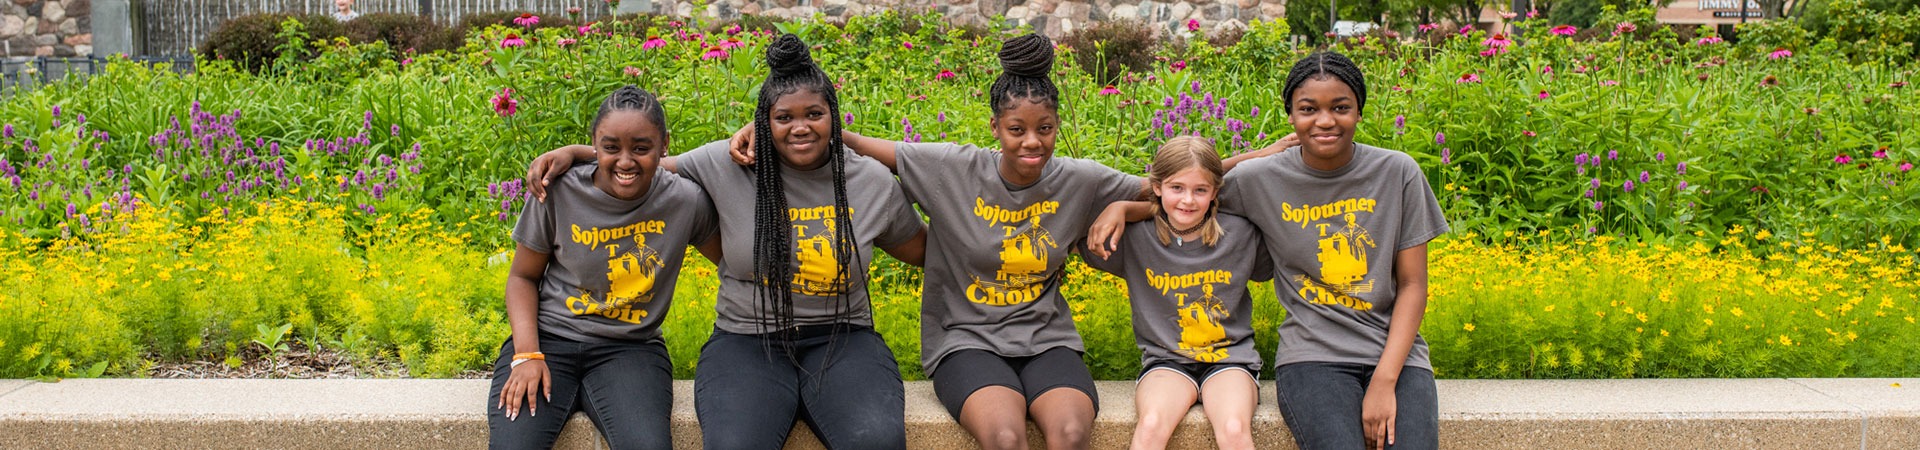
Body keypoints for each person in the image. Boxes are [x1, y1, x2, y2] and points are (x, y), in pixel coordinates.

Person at [526, 34, 928, 450]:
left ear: (835, 117)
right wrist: (576, 153)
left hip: (844, 337)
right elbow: (643, 165)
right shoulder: (727, 163)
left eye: (814, 114)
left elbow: (923, 251)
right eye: (783, 117)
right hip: (747, 338)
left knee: (876, 441)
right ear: (764, 121)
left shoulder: (871, 183)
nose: (801, 127)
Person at [1095, 51, 1449, 450]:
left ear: (1359, 111)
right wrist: (1124, 207)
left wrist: (1385, 382)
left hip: (1397, 356)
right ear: (1291, 115)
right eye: (1308, 109)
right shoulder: (1260, 179)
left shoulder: (1397, 172)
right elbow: (1188, 194)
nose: (1325, 120)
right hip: (1313, 354)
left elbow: (1414, 285)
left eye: (1341, 107)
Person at [489, 85, 719, 450]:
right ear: (595, 145)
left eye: (641, 148)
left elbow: (732, 261)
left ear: (664, 145)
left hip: (631, 349)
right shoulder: (558, 189)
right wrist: (527, 355)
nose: (625, 161)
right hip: (549, 340)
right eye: (611, 147)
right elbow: (522, 277)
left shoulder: (684, 200)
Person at [1078, 136, 1270, 450]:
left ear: (1215, 192)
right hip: (1166, 360)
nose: (1188, 200)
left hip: (1229, 359)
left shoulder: (1241, 232)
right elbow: (1075, 223)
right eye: (1176, 188)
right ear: (1156, 187)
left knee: (1234, 429)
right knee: (1152, 425)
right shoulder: (1136, 235)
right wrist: (1121, 207)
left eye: (1200, 190)